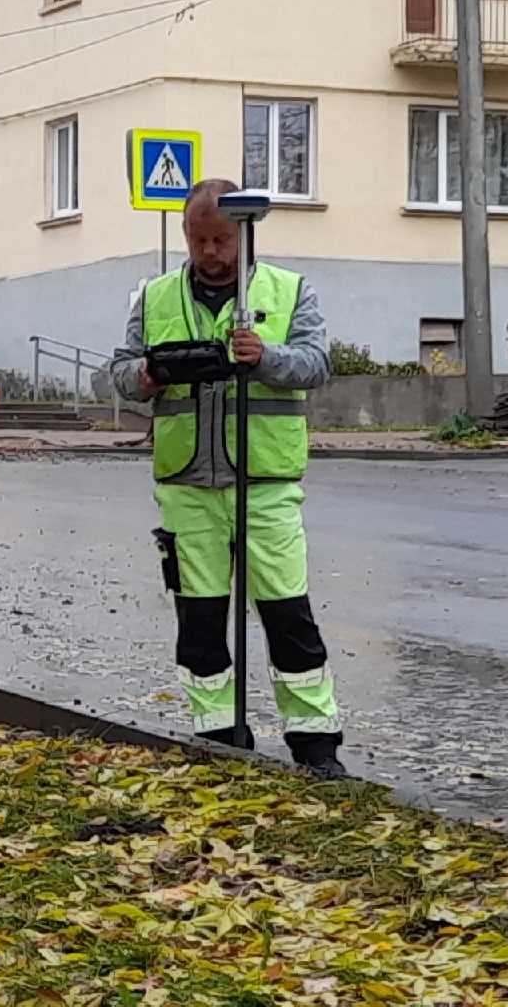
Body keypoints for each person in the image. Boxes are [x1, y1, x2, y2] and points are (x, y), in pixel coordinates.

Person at [108, 177, 346, 779]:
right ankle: (219, 736)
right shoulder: (156, 296)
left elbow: (317, 365)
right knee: (202, 621)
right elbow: (114, 372)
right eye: (198, 239)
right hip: (187, 486)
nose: (209, 252)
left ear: (243, 231)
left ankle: (316, 745)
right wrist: (145, 377)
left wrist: (264, 356)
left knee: (288, 616)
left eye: (220, 239)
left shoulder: (289, 290)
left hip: (265, 485)